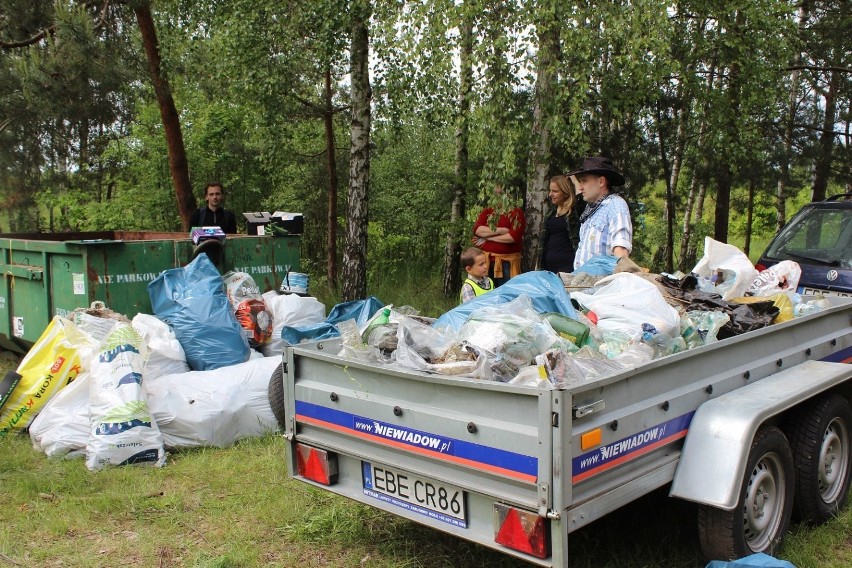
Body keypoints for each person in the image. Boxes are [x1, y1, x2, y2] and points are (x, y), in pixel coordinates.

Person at [569, 156, 633, 270]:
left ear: (601, 182)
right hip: (582, 284)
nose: (580, 187)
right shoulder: (590, 210)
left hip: (602, 285)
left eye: (584, 181)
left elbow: (621, 251)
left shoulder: (615, 205)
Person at [472, 184, 526, 286]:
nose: (497, 197)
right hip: (486, 262)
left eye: (500, 194)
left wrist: (487, 238)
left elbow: (512, 237)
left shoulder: (516, 213)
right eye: (495, 194)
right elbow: (478, 230)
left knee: (506, 294)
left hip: (507, 264)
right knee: (488, 294)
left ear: (508, 194)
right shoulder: (488, 211)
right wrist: (503, 230)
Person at [541, 174, 583, 273]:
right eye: (550, 190)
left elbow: (580, 195)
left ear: (566, 193)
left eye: (555, 191)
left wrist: (573, 178)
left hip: (567, 266)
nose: (551, 194)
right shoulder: (551, 212)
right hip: (548, 267)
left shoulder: (574, 212)